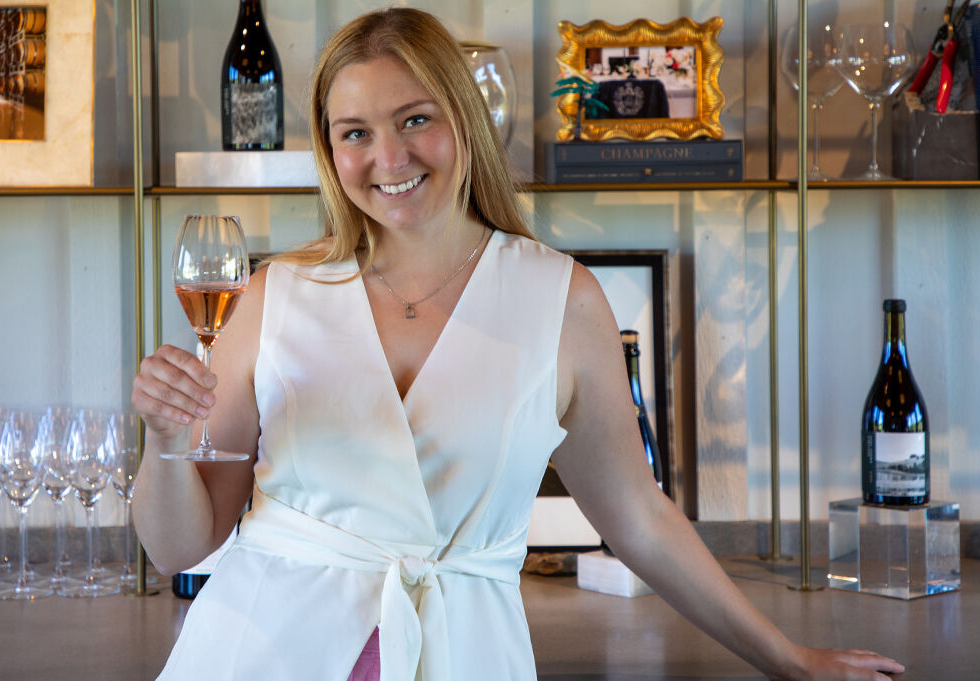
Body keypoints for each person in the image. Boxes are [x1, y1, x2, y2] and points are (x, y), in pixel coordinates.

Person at [132, 8, 906, 681]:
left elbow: (638, 517)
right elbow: (179, 545)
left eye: (414, 119)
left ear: (464, 118)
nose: (388, 158)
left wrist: (787, 658)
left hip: (461, 649)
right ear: (330, 151)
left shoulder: (559, 299)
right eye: (354, 133)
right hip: (259, 647)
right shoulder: (275, 296)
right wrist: (164, 440)